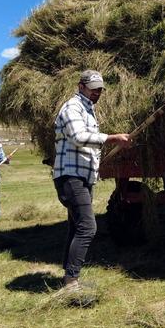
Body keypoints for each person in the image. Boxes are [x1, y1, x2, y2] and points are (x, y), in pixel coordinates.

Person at [53, 70, 132, 291]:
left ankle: (68, 276)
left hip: (83, 176)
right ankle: (72, 282)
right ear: (81, 87)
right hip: (71, 176)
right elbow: (78, 137)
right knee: (88, 227)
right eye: (93, 88)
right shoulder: (72, 108)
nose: (97, 92)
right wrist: (111, 138)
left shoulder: (89, 110)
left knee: (76, 226)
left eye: (100, 89)